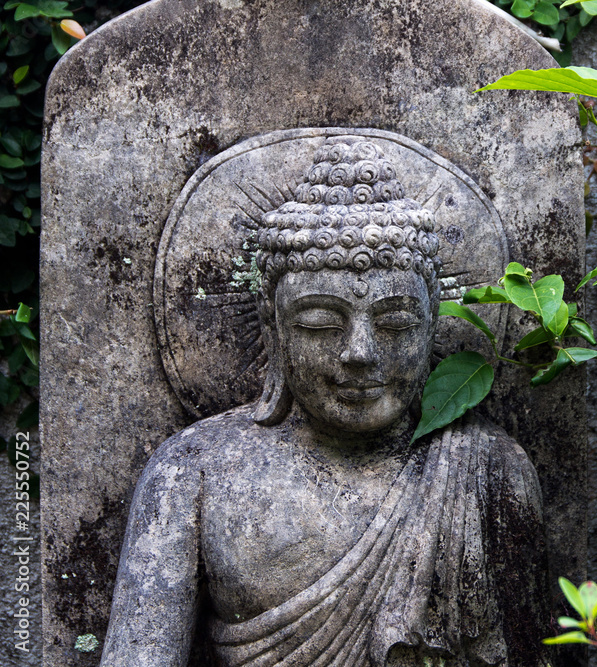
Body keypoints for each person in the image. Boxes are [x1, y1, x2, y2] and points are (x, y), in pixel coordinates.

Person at [100, 137, 551, 667]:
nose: (359, 353)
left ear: (433, 329)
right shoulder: (193, 472)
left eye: (395, 323)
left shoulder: (489, 472)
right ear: (273, 330)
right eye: (319, 323)